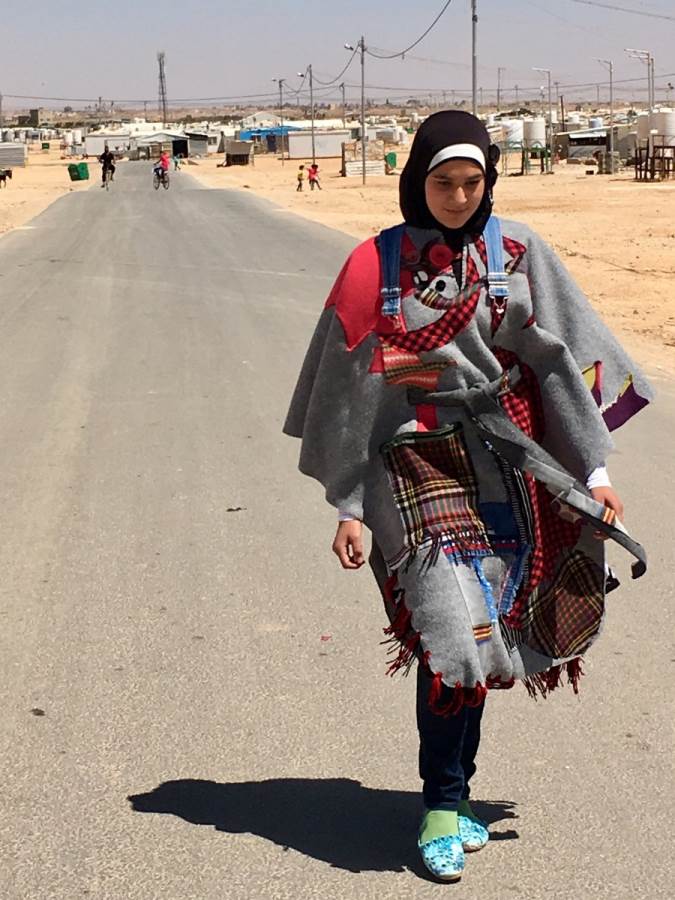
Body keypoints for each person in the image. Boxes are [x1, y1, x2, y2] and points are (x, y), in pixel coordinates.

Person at [284, 111, 652, 883]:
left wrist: (592, 473)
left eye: (471, 181)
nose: (456, 195)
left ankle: (455, 794)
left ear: (488, 180)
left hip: (507, 458)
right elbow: (355, 391)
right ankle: (441, 804)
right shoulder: (372, 266)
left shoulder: (516, 252)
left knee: (490, 636)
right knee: (452, 632)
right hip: (413, 464)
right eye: (441, 181)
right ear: (415, 180)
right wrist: (349, 506)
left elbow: (562, 360)